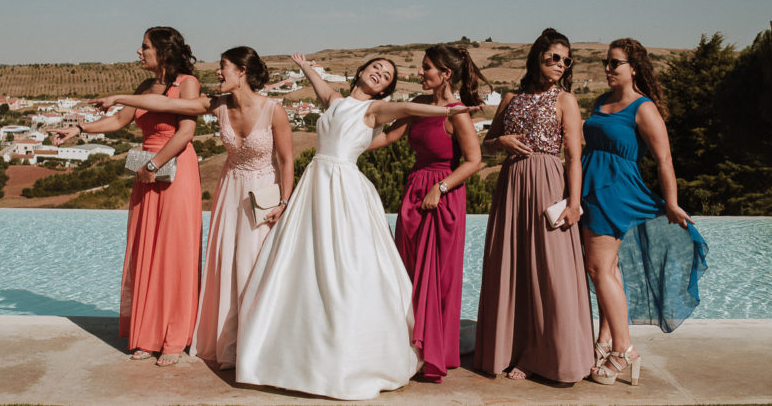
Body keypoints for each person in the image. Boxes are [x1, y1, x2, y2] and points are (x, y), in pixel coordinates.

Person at [235, 54, 481, 400]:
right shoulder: (336, 101)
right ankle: (287, 350)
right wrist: (306, 67)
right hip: (314, 183)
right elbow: (323, 90)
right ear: (362, 71)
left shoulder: (377, 110)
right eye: (376, 68)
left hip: (343, 185)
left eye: (387, 76)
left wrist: (447, 112)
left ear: (386, 88)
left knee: (347, 264)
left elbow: (410, 111)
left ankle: (349, 353)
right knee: (300, 262)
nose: (380, 75)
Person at [92, 46, 294, 370]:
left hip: (264, 192)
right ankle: (229, 346)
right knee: (225, 264)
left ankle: (261, 345)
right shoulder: (217, 105)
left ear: (241, 71)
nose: (217, 72)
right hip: (230, 191)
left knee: (256, 265)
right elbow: (166, 104)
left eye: (223, 67)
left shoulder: (275, 110)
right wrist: (122, 97)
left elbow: (286, 161)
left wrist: (284, 201)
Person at [51, 26, 202, 367]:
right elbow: (118, 121)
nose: (139, 51)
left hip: (174, 170)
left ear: (162, 51)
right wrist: (78, 129)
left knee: (173, 251)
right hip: (146, 173)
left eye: (145, 46)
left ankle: (174, 337)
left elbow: (186, 132)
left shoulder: (187, 83)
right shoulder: (143, 88)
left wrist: (154, 163)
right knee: (145, 249)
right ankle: (148, 334)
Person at [581, 38, 708, 386]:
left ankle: (624, 349)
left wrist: (671, 201)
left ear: (634, 67)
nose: (608, 68)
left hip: (616, 192)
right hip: (593, 187)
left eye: (616, 63)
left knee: (598, 267)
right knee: (607, 268)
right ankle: (605, 341)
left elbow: (664, 158)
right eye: (607, 62)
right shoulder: (600, 101)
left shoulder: (643, 107)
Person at [474, 28, 594, 384]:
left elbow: (574, 156)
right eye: (554, 57)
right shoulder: (511, 97)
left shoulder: (566, 100)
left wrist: (574, 203)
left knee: (550, 271)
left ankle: (552, 355)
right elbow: (486, 145)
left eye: (566, 60)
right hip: (511, 186)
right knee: (512, 267)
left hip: (548, 183)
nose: (560, 64)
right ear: (538, 56)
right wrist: (502, 140)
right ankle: (512, 351)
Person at [366, 44, 486, 382]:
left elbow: (475, 161)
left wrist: (441, 188)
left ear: (445, 74)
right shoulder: (418, 106)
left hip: (442, 196)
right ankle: (407, 347)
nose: (420, 73)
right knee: (407, 272)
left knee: (436, 278)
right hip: (415, 192)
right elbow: (388, 136)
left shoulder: (457, 112)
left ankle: (435, 351)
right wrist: (348, 144)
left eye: (427, 68)